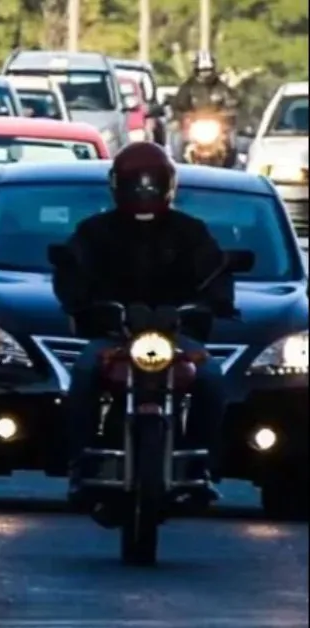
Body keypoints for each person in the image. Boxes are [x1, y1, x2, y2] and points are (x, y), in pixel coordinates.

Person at [51, 142, 236, 506]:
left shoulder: (191, 232)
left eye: (153, 183)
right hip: (114, 337)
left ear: (169, 184)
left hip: (175, 339)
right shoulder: (94, 232)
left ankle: (202, 464)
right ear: (117, 185)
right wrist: (97, 309)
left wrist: (208, 305)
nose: (144, 191)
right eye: (136, 183)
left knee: (212, 379)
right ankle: (80, 461)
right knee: (85, 374)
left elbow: (215, 274)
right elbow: (71, 276)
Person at [170, 50, 240, 159]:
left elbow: (231, 102)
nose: (205, 73)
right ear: (196, 70)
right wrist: (180, 115)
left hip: (217, 125)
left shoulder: (222, 87)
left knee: (232, 139)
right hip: (194, 124)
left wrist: (230, 111)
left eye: (208, 70)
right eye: (202, 70)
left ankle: (230, 160)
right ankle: (178, 161)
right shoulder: (187, 87)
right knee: (177, 137)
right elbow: (178, 104)